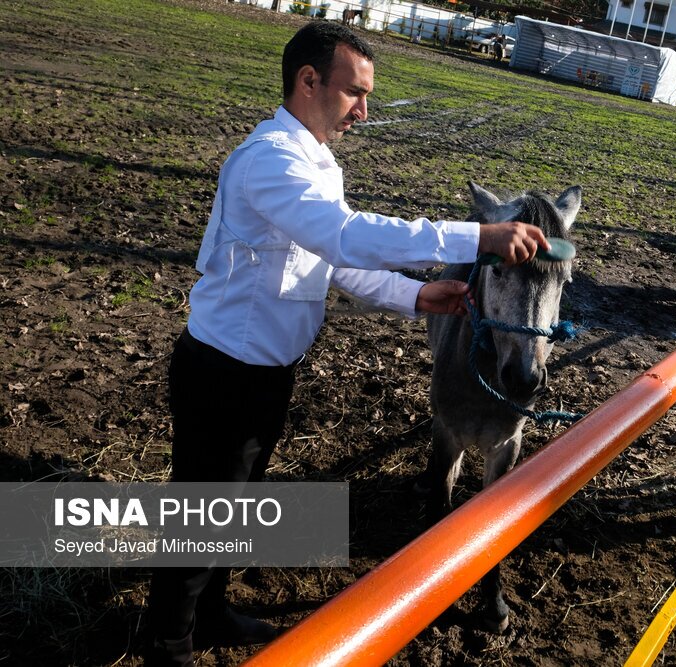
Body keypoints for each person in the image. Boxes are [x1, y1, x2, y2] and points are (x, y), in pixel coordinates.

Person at [146, 22, 548, 667]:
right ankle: (168, 642)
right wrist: (477, 238)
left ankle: (210, 611)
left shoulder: (315, 161)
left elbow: (333, 261)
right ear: (309, 81)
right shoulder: (271, 160)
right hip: (224, 370)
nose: (364, 111)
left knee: (233, 503)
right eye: (355, 93)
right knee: (200, 513)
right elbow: (343, 237)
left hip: (266, 370)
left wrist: (416, 295)